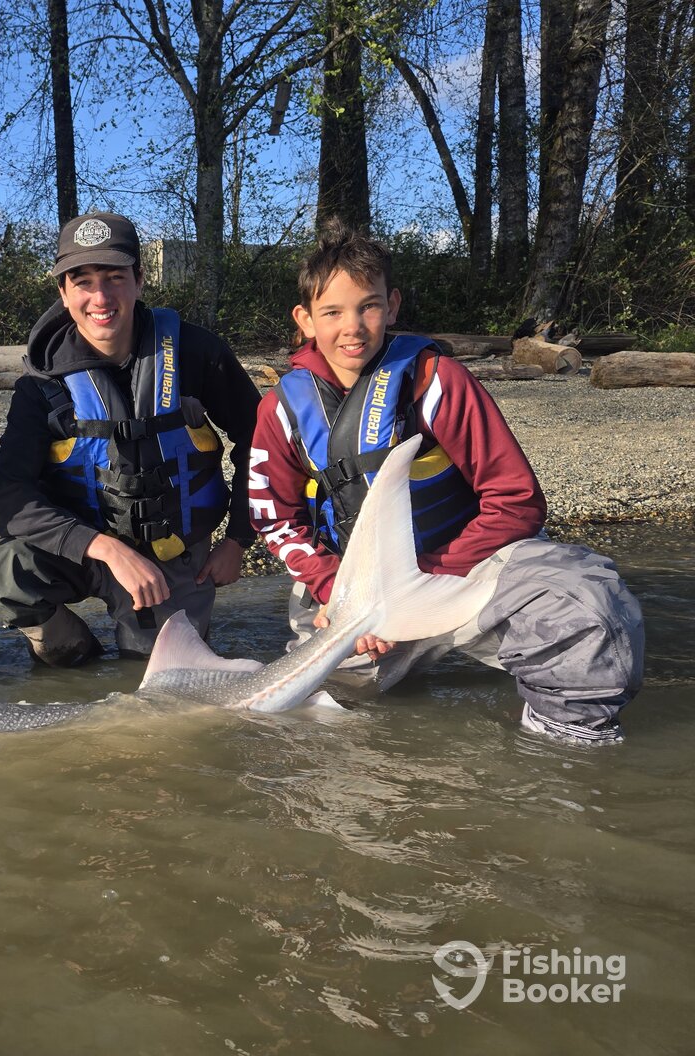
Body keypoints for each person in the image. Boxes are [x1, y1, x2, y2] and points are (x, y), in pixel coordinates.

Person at [249, 220, 644, 744]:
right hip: (354, 599)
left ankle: (563, 745)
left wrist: (421, 583)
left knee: (590, 612)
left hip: (463, 570)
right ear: (304, 320)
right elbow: (274, 517)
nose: (354, 327)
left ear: (391, 306)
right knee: (308, 713)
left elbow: (517, 501)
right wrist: (334, 590)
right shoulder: (280, 410)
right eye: (332, 312)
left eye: (368, 306)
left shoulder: (439, 382)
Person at [0, 211, 262, 665]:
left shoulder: (197, 353)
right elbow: (7, 497)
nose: (100, 296)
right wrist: (105, 548)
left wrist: (238, 540)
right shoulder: (41, 382)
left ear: (140, 280)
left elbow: (260, 441)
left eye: (114, 277)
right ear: (63, 292)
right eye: (83, 281)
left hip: (171, 553)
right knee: (5, 567)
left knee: (162, 689)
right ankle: (74, 653)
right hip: (82, 550)